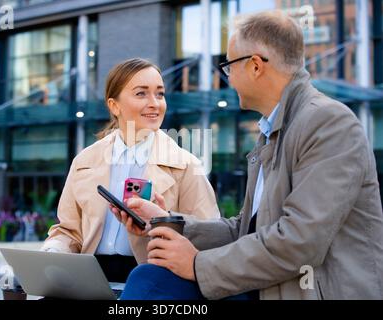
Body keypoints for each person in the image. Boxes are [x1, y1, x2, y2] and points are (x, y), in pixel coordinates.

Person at [111, 11, 383, 299]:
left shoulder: (328, 123)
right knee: (150, 277)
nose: (228, 77)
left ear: (255, 66)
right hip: (268, 288)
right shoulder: (273, 129)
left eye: (229, 66)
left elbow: (300, 241)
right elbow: (245, 229)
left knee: (152, 282)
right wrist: (166, 222)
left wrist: (197, 264)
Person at [41, 58, 220, 283]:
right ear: (114, 106)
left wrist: (164, 223)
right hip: (88, 276)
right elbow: (68, 231)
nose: (155, 103)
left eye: (160, 94)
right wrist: (53, 252)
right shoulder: (84, 161)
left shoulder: (186, 165)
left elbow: (206, 236)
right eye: (141, 93)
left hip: (152, 277)